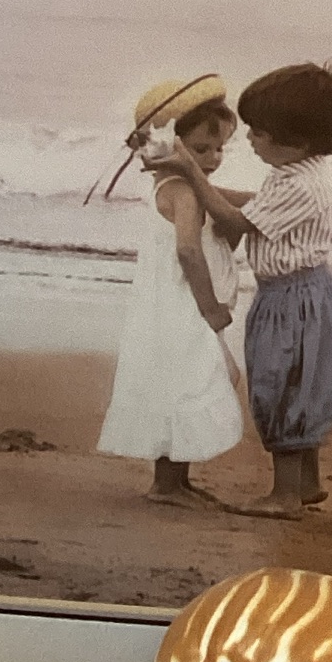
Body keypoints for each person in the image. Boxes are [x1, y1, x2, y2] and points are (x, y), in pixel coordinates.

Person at [148, 61, 332, 518]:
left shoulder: (300, 185)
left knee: (282, 385)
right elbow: (257, 204)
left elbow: (237, 221)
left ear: (295, 141)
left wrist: (191, 172)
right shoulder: (299, 173)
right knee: (303, 382)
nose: (249, 139)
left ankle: (285, 495)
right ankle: (307, 483)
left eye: (259, 132)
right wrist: (192, 179)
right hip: (307, 294)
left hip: (291, 299)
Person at [97, 74, 246, 505]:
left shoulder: (179, 184)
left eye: (220, 149)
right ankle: (166, 483)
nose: (213, 159)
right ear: (172, 144)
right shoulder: (183, 192)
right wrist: (210, 306)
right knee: (197, 380)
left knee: (190, 378)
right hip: (186, 302)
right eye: (201, 150)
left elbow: (231, 199)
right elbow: (188, 250)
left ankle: (176, 478)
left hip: (172, 302)